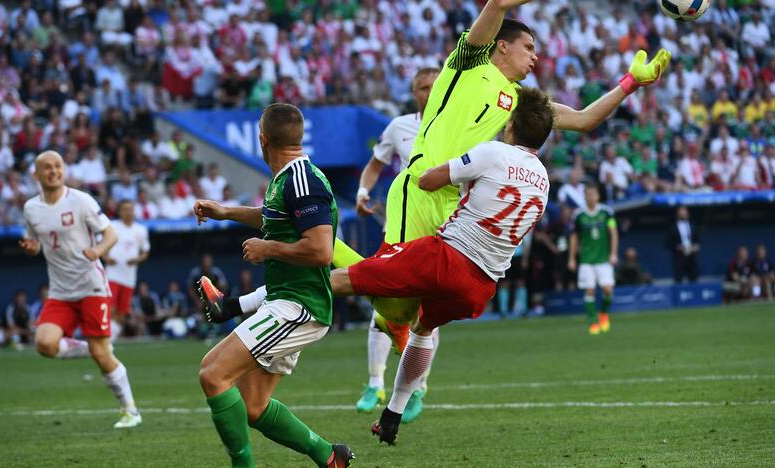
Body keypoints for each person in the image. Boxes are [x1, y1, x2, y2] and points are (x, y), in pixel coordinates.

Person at [203, 0, 669, 425]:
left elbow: (586, 118)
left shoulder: (519, 103)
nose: (535, 56)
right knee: (388, 302)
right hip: (423, 190)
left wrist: (631, 84)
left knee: (401, 307)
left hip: (453, 208)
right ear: (501, 45)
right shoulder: (469, 65)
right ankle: (245, 304)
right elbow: (496, 4)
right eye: (528, 46)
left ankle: (381, 379)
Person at [327, 86, 554, 445]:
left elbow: (429, 180)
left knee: (348, 278)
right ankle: (393, 415)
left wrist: (440, 162)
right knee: (422, 329)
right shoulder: (543, 180)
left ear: (510, 126)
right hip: (481, 286)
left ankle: (244, 303)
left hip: (446, 257)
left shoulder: (493, 152)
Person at [192, 104, 354, 467]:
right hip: (287, 301)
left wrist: (268, 248)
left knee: (213, 374)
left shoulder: (302, 181)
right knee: (253, 406)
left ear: (262, 139)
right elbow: (274, 217)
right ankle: (330, 456)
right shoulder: (291, 177)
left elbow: (321, 250)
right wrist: (227, 212)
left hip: (299, 307)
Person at [19, 150, 141, 429]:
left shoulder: (81, 200)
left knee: (102, 356)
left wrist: (96, 250)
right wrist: (31, 248)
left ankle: (131, 410)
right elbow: (35, 242)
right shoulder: (31, 209)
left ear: (64, 170)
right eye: (47, 168)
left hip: (91, 286)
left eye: (58, 166)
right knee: (45, 344)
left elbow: (111, 234)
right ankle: (94, 349)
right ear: (36, 175)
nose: (53, 171)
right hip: (60, 290)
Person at [352, 66, 441, 421]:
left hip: (438, 232)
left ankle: (417, 388)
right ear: (414, 92)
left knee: (427, 317)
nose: (429, 92)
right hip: (400, 230)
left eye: (434, 86)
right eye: (422, 87)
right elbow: (375, 165)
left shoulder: (458, 126)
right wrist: (362, 191)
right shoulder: (399, 127)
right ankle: (375, 383)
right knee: (381, 308)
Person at [568, 184, 618, 335]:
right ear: (584, 196)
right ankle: (592, 321)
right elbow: (574, 237)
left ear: (598, 196)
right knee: (589, 290)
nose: (591, 197)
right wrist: (571, 258)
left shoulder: (607, 213)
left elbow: (613, 232)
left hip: (603, 258)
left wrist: (614, 253)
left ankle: (603, 313)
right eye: (588, 194)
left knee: (608, 289)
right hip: (586, 260)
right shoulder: (578, 215)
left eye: (593, 194)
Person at [103, 200, 150, 339]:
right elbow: (101, 245)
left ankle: (110, 339)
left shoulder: (140, 230)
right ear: (119, 211)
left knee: (122, 313)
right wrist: (106, 258)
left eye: (130, 209)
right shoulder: (112, 226)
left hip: (129, 277)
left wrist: (137, 259)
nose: (128, 212)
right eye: (125, 209)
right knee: (110, 308)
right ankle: (105, 339)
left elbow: (145, 252)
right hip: (113, 274)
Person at [666, 206, 700, 284]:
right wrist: (678, 247)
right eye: (681, 213)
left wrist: (694, 247)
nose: (683, 214)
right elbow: (668, 243)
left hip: (692, 257)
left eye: (684, 213)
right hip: (679, 258)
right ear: (677, 214)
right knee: (679, 280)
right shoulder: (672, 227)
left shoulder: (693, 226)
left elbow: (698, 241)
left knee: (693, 279)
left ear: (688, 214)